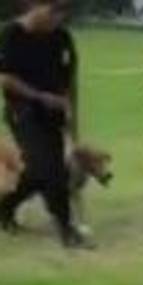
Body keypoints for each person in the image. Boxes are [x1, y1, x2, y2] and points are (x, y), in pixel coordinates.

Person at [0, 0, 88, 248]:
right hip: (24, 112)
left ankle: (5, 206)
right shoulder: (12, 35)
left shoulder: (61, 38)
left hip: (54, 115)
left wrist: (73, 123)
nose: (57, 19)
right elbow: (5, 78)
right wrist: (39, 96)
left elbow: (70, 82)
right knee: (51, 170)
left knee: (40, 172)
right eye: (53, 12)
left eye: (62, 14)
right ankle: (66, 228)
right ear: (35, 7)